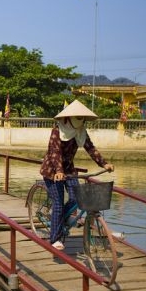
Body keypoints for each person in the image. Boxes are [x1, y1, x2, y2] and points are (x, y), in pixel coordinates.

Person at [39, 100, 114, 250]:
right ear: (68, 118)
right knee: (59, 204)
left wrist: (104, 163)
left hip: (69, 170)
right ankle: (55, 238)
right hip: (52, 171)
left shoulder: (81, 132)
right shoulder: (57, 130)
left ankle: (62, 219)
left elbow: (90, 148)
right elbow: (55, 153)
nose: (80, 121)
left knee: (76, 199)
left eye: (82, 118)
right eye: (77, 117)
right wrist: (59, 171)